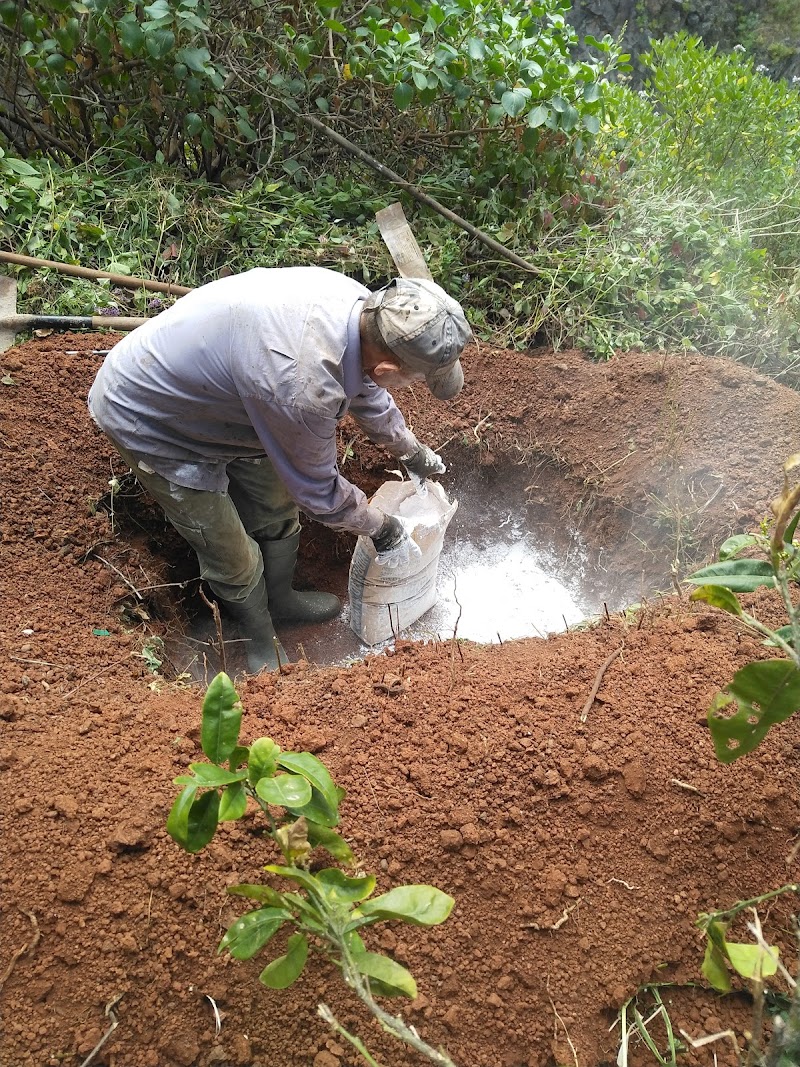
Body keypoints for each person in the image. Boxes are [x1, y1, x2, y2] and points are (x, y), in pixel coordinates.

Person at [88, 266, 471, 673]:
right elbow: (318, 491)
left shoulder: (367, 311)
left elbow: (368, 389)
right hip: (154, 419)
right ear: (388, 369)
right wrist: (383, 529)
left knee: (274, 505)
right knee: (231, 553)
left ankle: (281, 598)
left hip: (236, 399)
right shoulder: (303, 386)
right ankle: (258, 634)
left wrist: (409, 449)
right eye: (415, 379)